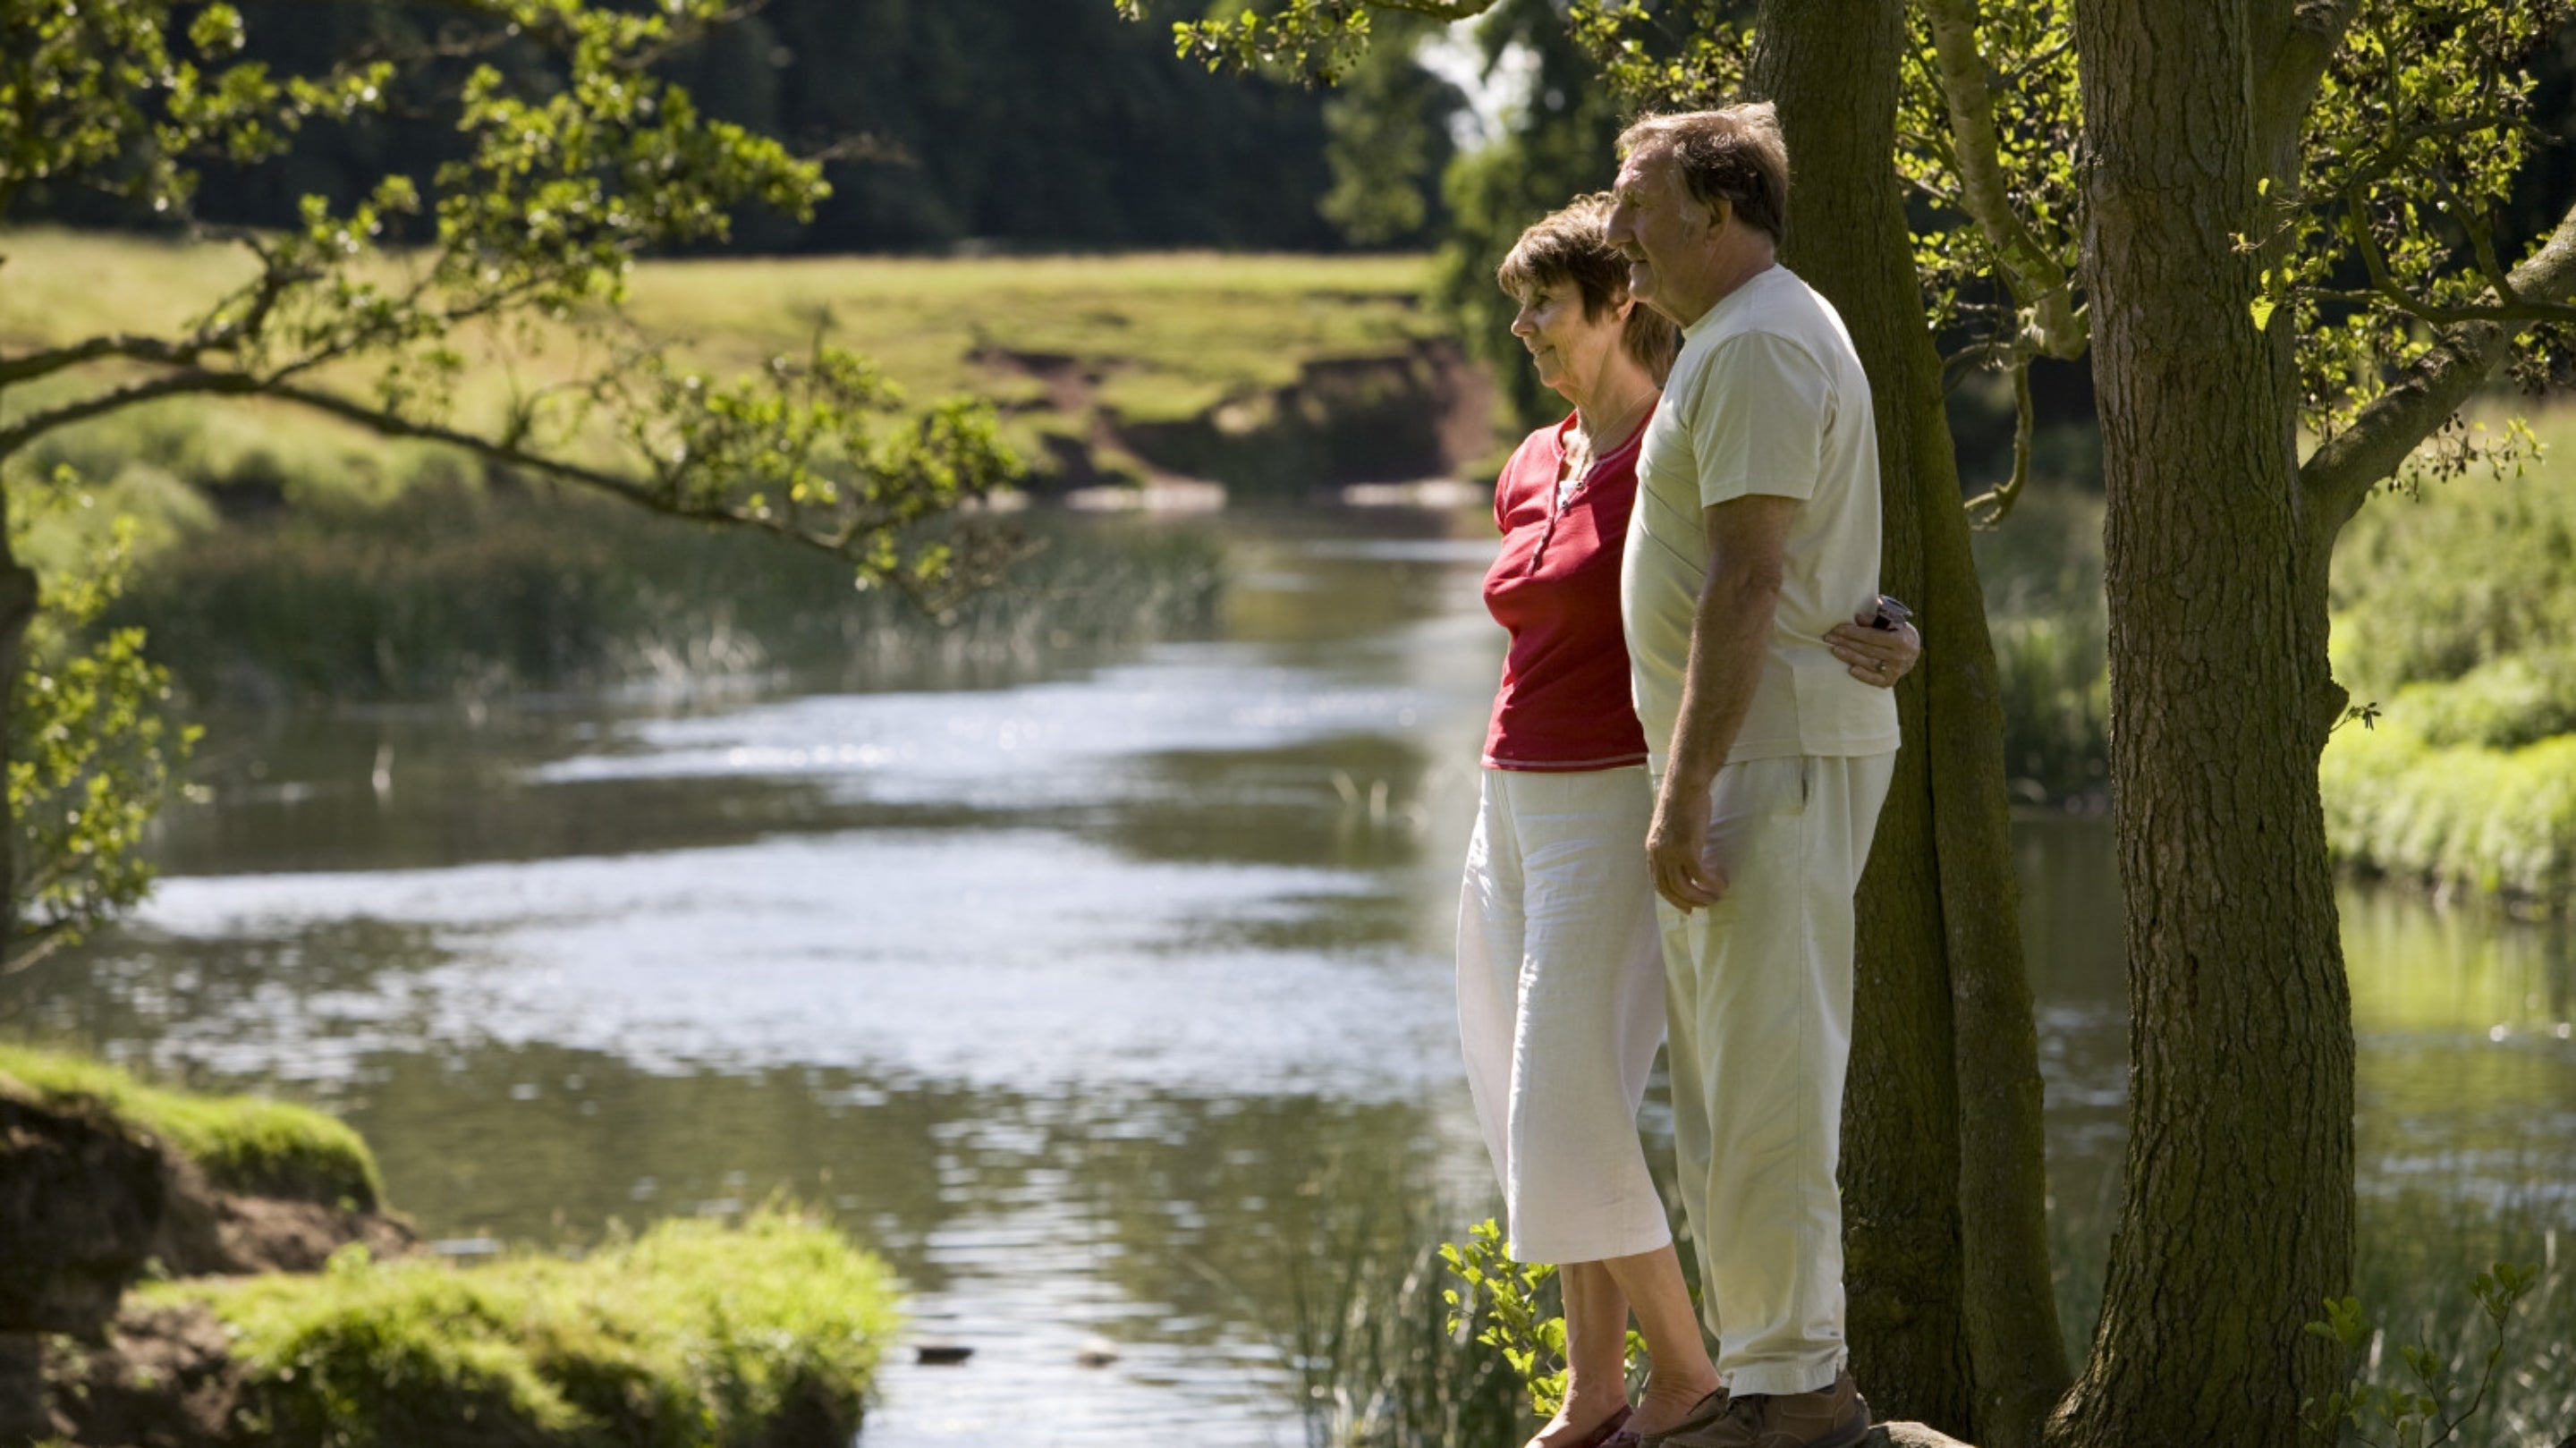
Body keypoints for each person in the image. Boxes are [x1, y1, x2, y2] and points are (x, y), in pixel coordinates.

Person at [1457, 192, 1919, 1448]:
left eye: (1541, 304)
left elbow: (1770, 565)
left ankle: (1688, 1371)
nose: (1520, 328)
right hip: (1509, 794)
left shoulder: (1677, 432)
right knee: (1529, 1099)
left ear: (1620, 305)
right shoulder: (1534, 461)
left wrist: (1882, 629)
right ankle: (1592, 1388)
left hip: (1618, 795)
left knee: (1567, 1101)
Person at [1603, 105, 1899, 1448]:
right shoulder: (1741, 336)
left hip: (1762, 757)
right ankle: (1764, 1377)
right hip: (1743, 749)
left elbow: (1754, 572)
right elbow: (1806, 571)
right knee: (1729, 1085)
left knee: (1770, 1079)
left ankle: (1808, 1393)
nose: (1621, 228)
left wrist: (1681, 785)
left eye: (1639, 200)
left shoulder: (1770, 337)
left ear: (1717, 212)